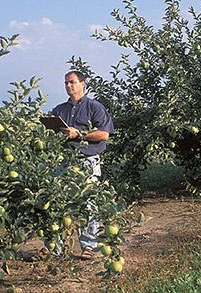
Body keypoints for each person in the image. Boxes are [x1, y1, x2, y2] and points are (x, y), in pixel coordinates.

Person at [52, 70, 115, 260]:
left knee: (88, 203)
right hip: (64, 161)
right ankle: (55, 247)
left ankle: (88, 246)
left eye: (72, 82)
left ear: (82, 84)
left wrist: (79, 134)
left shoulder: (94, 107)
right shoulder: (59, 110)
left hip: (87, 161)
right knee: (58, 203)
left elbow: (104, 134)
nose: (68, 86)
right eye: (65, 83)